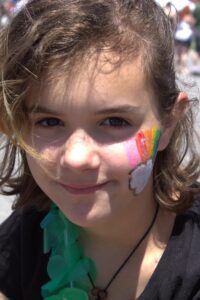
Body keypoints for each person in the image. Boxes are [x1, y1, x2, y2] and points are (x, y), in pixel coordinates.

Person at [0, 0, 200, 299]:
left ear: (168, 122)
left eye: (115, 121)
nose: (76, 158)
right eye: (49, 121)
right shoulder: (26, 236)